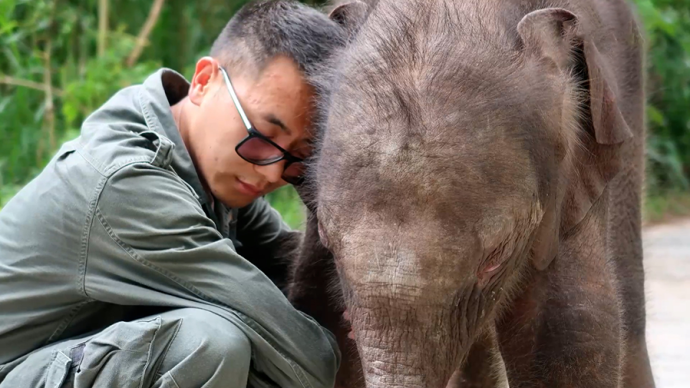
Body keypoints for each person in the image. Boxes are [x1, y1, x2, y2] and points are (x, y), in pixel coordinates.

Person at [0, 1, 347, 387]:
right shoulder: (126, 184)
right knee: (208, 345)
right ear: (203, 81)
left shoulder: (208, 168)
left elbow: (294, 276)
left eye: (296, 160)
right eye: (262, 137)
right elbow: (306, 357)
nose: (270, 173)